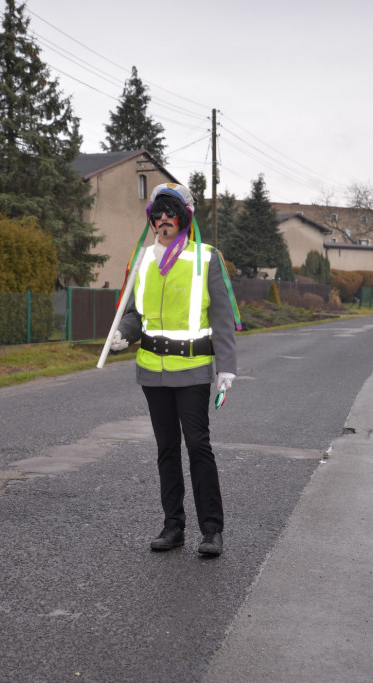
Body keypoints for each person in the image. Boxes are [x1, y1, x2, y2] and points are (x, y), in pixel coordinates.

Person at [110, 183, 237, 556]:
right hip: (152, 369)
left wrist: (226, 367)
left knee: (198, 446)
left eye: (171, 213)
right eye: (157, 214)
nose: (163, 220)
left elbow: (222, 318)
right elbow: (135, 313)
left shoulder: (207, 258)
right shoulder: (143, 260)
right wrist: (124, 334)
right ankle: (173, 526)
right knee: (167, 449)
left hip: (194, 369)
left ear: (184, 218)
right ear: (151, 220)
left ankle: (212, 530)